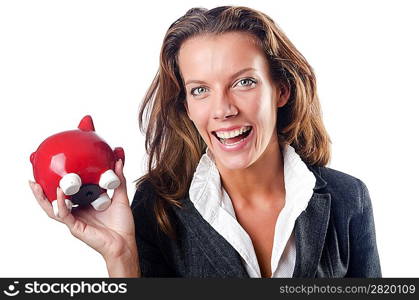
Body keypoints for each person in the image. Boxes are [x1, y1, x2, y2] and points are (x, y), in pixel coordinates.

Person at [29, 6, 381, 278]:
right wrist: (120, 256)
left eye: (244, 83)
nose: (223, 110)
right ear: (186, 104)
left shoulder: (348, 199)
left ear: (281, 90)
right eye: (200, 90)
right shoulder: (157, 206)